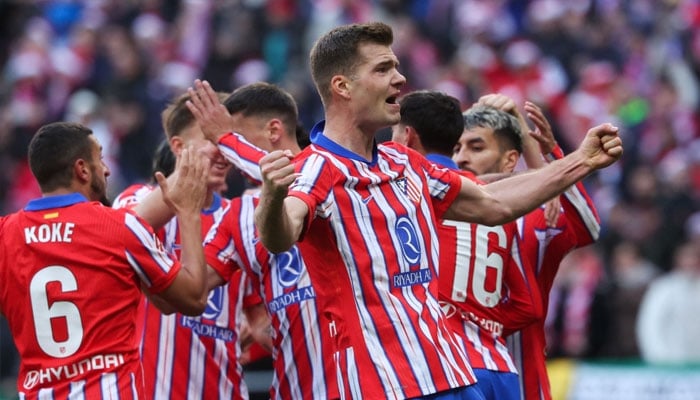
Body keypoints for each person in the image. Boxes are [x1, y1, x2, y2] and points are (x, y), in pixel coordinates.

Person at [193, 22, 621, 399]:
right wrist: (270, 195)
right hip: (383, 384)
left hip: (451, 374)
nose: (399, 78)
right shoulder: (317, 170)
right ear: (342, 87)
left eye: (396, 66)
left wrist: (580, 160)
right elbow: (281, 232)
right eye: (383, 69)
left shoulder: (404, 162)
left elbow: (494, 204)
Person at [0, 121, 209, 398]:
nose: (107, 169)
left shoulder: (5, 236)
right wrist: (189, 212)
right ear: (82, 170)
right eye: (100, 158)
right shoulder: (120, 227)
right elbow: (193, 298)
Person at [113, 93, 270, 400]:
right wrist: (185, 187)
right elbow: (120, 233)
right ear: (178, 147)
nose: (224, 149)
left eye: (228, 138)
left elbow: (259, 319)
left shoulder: (242, 217)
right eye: (212, 138)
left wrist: (257, 329)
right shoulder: (136, 199)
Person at [187, 81, 338, 399]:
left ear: (274, 131)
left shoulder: (330, 169)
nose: (226, 156)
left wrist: (225, 138)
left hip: (362, 384)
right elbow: (192, 288)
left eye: (235, 139)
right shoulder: (239, 214)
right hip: (293, 387)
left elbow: (295, 176)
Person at [391, 90, 541, 400]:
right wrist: (481, 321)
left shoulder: (405, 193)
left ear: (407, 136)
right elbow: (529, 306)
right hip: (500, 369)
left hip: (443, 366)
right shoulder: (497, 207)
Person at [454, 95, 603, 400]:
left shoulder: (536, 219)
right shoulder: (436, 210)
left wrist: (545, 154)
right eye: (456, 148)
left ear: (510, 160)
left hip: (521, 383)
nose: (461, 158)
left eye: (476, 147)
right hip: (452, 378)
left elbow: (588, 226)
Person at [636, 240, 700, 364]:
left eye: (695, 257)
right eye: (687, 257)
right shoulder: (663, 288)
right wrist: (659, 358)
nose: (691, 262)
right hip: (670, 364)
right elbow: (650, 325)